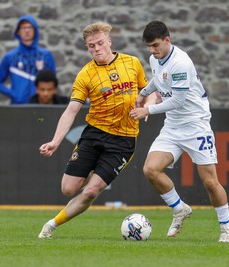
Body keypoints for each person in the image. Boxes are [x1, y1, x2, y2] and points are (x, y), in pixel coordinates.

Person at [37, 21, 150, 239]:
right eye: (91, 46)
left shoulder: (132, 63)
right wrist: (55, 141)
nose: (97, 48)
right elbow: (71, 111)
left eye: (100, 43)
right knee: (68, 189)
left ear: (109, 41)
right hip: (95, 134)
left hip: (123, 141)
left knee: (90, 191)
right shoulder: (85, 75)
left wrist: (148, 109)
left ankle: (51, 226)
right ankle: (90, 169)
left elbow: (150, 91)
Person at [129, 21, 229, 242]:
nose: (152, 50)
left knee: (210, 182)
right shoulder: (155, 58)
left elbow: (177, 101)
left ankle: (226, 229)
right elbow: (158, 80)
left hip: (196, 125)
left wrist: (147, 109)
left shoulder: (181, 63)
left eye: (156, 45)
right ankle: (179, 208)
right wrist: (143, 93)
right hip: (173, 127)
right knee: (150, 169)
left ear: (168, 39)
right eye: (149, 46)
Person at [0, 15, 56, 104]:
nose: (27, 30)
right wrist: (14, 94)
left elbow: (53, 82)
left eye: (30, 27)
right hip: (18, 106)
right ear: (18, 31)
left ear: (35, 31)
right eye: (23, 28)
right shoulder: (10, 57)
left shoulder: (45, 55)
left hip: (40, 106)